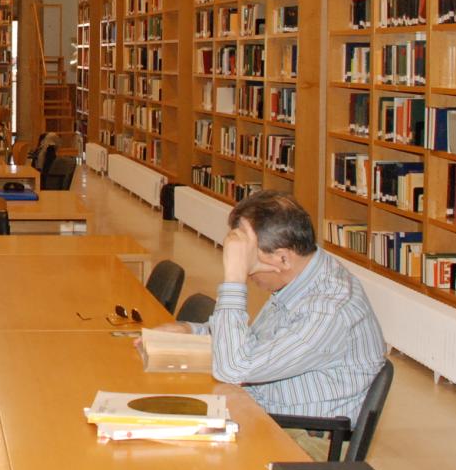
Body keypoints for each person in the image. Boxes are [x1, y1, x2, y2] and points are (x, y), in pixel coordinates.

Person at [153, 190, 384, 451]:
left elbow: (233, 369)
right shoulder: (301, 277)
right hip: (264, 411)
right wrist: (190, 330)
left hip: (303, 440)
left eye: (248, 261)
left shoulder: (327, 310)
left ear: (282, 258)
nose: (249, 274)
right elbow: (252, 344)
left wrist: (234, 278)